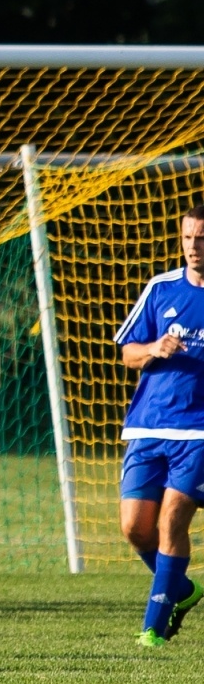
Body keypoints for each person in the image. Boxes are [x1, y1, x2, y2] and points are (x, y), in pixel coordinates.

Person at [116, 204, 204, 647]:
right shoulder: (160, 289)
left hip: (199, 433)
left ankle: (153, 625)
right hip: (148, 426)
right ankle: (183, 590)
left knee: (173, 518)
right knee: (134, 528)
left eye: (201, 238)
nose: (194, 247)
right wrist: (154, 347)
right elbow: (127, 352)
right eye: (188, 238)